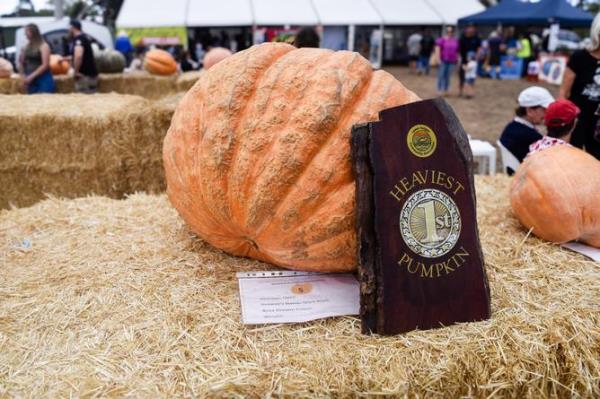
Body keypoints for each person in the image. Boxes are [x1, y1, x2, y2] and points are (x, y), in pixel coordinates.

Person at [559, 13, 600, 160]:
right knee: (573, 156)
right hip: (577, 117)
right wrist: (562, 119)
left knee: (596, 159)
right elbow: (563, 91)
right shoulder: (579, 57)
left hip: (598, 121)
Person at [499, 86, 555, 173]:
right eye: (544, 109)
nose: (547, 113)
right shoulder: (530, 136)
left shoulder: (513, 126)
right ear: (530, 111)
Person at [18, 23, 55, 94]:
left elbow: (45, 65)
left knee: (45, 100)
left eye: (27, 32)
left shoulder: (44, 46)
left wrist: (31, 77)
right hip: (29, 77)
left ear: (33, 32)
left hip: (43, 78)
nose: (25, 34)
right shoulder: (25, 47)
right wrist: (22, 76)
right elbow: (21, 63)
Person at [68, 19, 98, 93]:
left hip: (84, 76)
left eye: (69, 28)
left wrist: (76, 71)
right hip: (90, 74)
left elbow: (78, 56)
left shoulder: (79, 40)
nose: (68, 30)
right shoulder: (84, 38)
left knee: (84, 100)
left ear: (73, 27)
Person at [435, 26, 459, 96]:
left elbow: (457, 51)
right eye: (448, 31)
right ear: (446, 32)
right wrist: (438, 58)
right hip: (443, 60)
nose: (450, 33)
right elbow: (437, 49)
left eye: (451, 31)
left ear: (453, 32)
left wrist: (457, 60)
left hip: (452, 61)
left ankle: (446, 90)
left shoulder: (455, 41)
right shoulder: (441, 40)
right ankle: (439, 90)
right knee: (441, 75)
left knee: (448, 76)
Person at [458, 24, 481, 97]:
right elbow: (459, 50)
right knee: (462, 77)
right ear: (466, 29)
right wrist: (459, 59)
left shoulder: (476, 38)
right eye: (469, 28)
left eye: (472, 28)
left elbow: (479, 48)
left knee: (471, 77)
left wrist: (477, 57)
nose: (471, 29)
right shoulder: (462, 38)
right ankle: (460, 91)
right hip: (464, 60)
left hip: (472, 61)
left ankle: (470, 93)